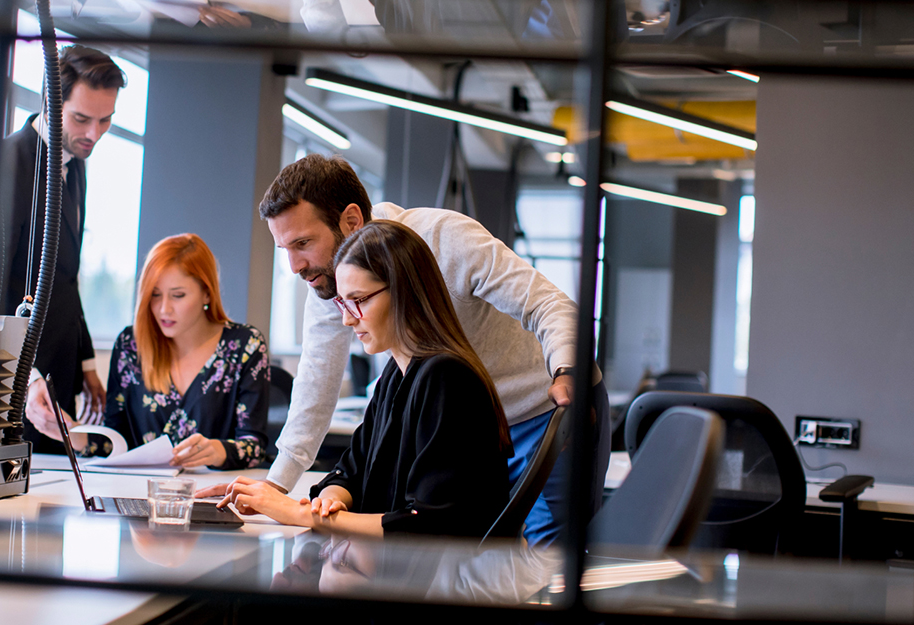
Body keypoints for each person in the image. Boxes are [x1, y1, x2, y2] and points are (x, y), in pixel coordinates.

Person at [203, 154, 610, 548]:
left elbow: (548, 304)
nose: (295, 266)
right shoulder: (334, 285)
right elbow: (315, 386)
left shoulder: (446, 239)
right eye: (285, 250)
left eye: (303, 243)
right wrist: (274, 488)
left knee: (547, 561)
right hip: (453, 427)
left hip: (544, 407)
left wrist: (567, 370)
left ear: (350, 220)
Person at [221, 221, 510, 537]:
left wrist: (300, 514)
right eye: (343, 303)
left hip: (444, 568)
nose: (347, 319)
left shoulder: (446, 377)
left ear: (405, 292)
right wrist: (329, 502)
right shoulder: (396, 374)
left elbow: (426, 524)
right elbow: (350, 470)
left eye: (359, 300)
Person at [0, 45, 125, 453]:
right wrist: (26, 379)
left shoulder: (74, 162)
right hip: (13, 390)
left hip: (58, 380)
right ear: (50, 102)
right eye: (81, 119)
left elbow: (64, 276)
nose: (94, 134)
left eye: (105, 120)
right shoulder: (3, 169)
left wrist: (87, 361)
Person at [76, 234, 270, 469]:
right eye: (155, 295)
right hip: (139, 488)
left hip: (214, 489)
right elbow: (114, 442)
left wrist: (220, 451)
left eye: (178, 295)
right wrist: (69, 432)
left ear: (207, 293)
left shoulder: (246, 346)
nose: (164, 309)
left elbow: (254, 447)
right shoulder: (130, 345)